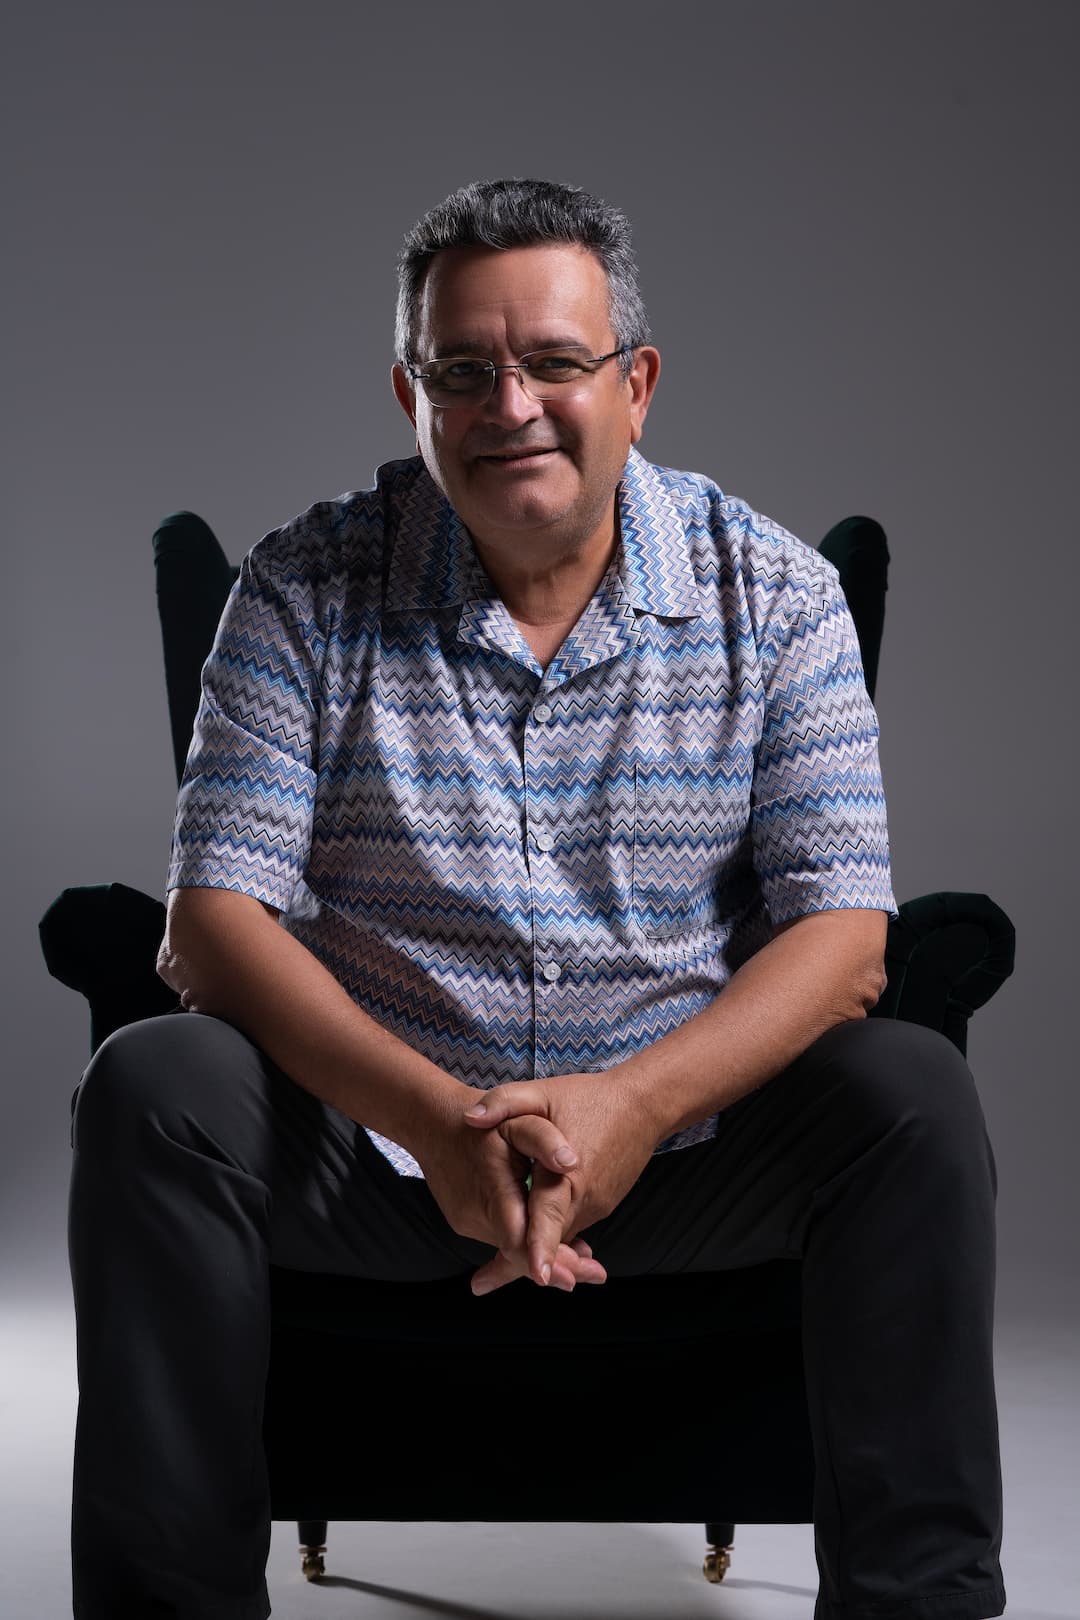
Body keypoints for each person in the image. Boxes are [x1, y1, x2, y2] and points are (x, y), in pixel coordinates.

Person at [68, 178, 1005, 1620]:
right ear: (412, 396)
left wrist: (631, 1106)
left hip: (683, 1154)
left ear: (636, 383)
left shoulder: (778, 596)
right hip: (370, 1148)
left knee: (913, 1096)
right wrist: (436, 1121)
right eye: (463, 371)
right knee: (153, 1083)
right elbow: (213, 929)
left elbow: (843, 937)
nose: (510, 406)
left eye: (555, 362)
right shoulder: (299, 590)